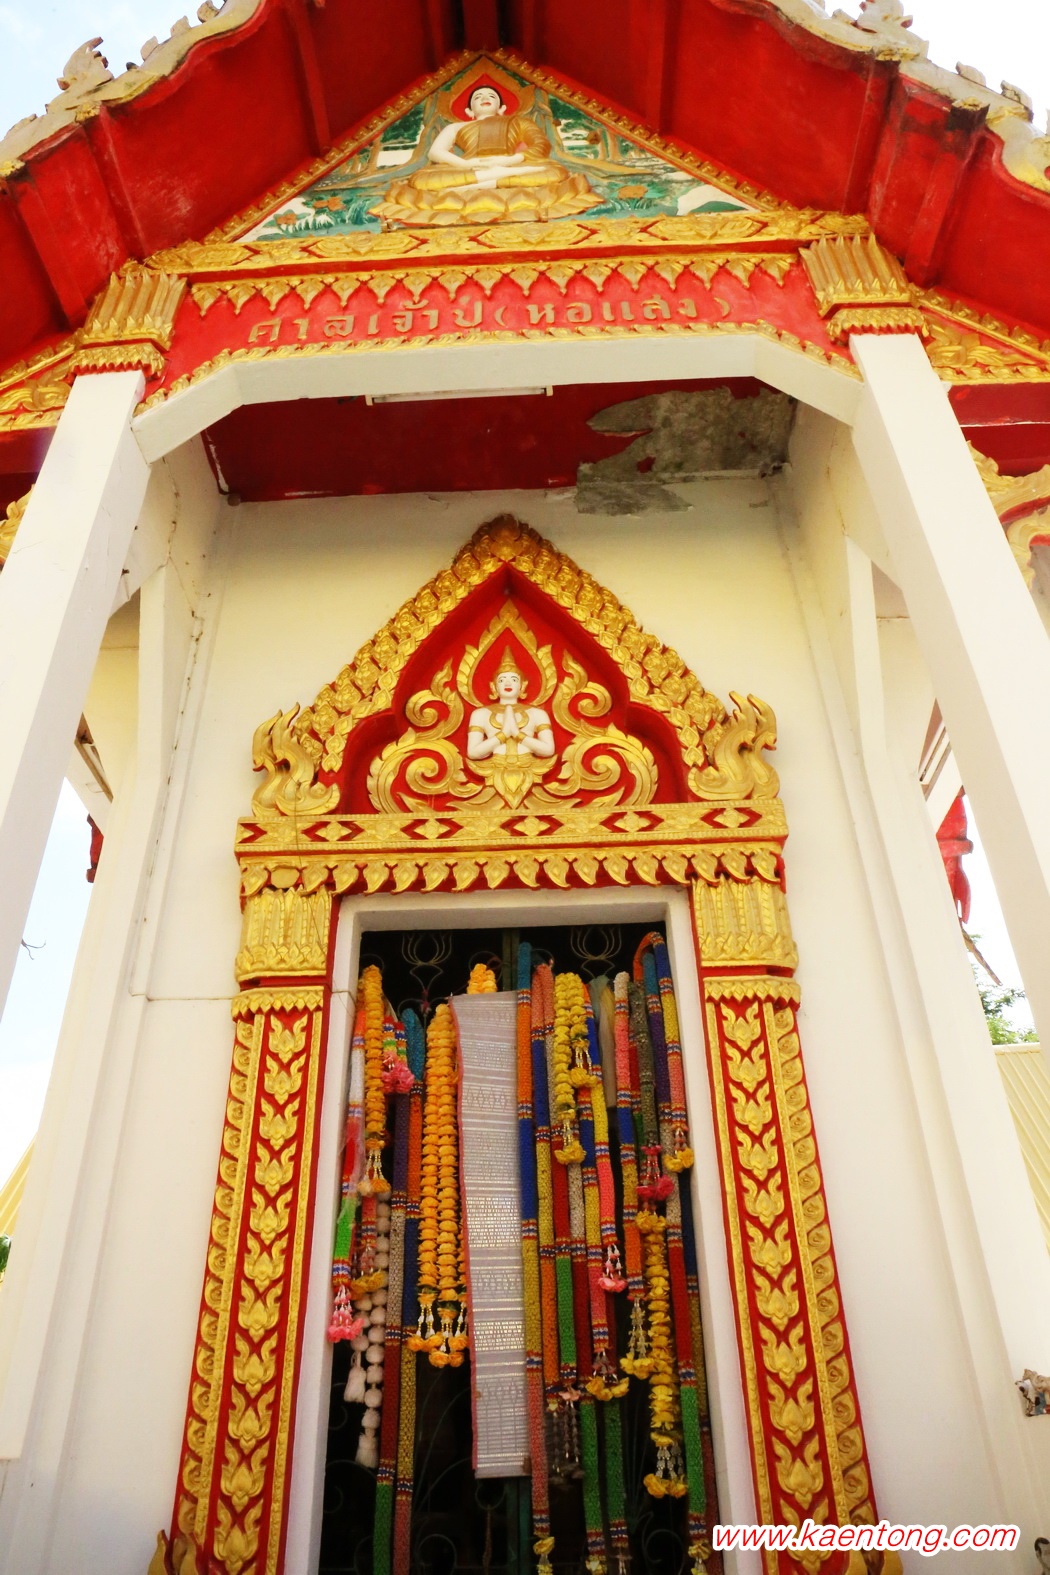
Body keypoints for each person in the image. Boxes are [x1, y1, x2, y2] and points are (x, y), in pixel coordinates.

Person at [371, 83, 603, 226]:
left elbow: (540, 145)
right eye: (478, 97)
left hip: (510, 164)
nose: (484, 98)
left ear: (502, 108)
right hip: (467, 167)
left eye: (491, 96)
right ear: (469, 111)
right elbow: (436, 152)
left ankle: (486, 181)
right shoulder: (457, 127)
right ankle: (493, 179)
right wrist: (465, 166)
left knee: (554, 172)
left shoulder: (518, 122)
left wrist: (510, 160)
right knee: (422, 179)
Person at [467, 648, 555, 765]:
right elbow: (473, 752)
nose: (507, 683)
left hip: (529, 765)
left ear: (522, 686)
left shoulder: (537, 713)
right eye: (501, 680)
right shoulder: (480, 714)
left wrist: (517, 734)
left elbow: (548, 749)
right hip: (494, 766)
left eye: (514, 680)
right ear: (494, 687)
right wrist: (503, 734)